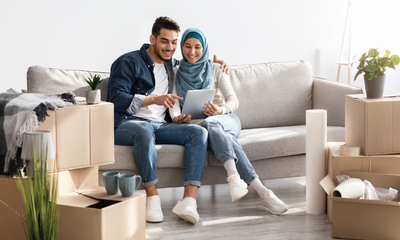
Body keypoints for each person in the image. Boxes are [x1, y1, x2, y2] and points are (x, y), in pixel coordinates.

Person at [107, 17, 228, 225]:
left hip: (159, 126)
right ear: (152, 39)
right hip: (127, 124)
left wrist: (215, 64)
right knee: (144, 128)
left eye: (174, 42)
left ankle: (189, 201)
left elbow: (194, 62)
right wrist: (154, 99)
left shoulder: (172, 64)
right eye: (164, 41)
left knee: (198, 132)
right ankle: (152, 198)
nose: (170, 48)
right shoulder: (129, 62)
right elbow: (115, 99)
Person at [170, 28, 289, 215]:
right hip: (202, 128)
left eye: (197, 47)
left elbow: (233, 100)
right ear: (182, 47)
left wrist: (220, 110)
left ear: (205, 48)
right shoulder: (176, 72)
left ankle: (234, 176)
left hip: (227, 119)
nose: (192, 52)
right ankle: (264, 193)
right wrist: (176, 118)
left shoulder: (217, 68)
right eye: (187, 46)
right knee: (219, 134)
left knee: (212, 123)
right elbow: (174, 103)